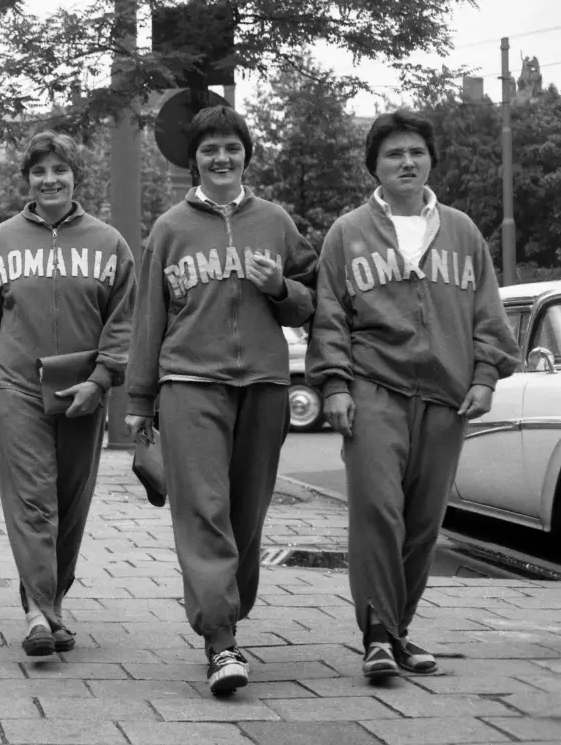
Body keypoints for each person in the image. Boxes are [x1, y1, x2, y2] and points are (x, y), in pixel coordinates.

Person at [308, 111, 519, 680]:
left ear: (430, 161)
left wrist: (484, 377)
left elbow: (487, 314)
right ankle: (377, 632)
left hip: (447, 395)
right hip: (375, 386)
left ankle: (397, 631)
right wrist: (334, 383)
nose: (407, 162)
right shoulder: (347, 232)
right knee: (378, 510)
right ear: (374, 166)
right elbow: (329, 316)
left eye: (416, 153)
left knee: (425, 520)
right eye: (394, 154)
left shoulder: (462, 230)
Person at [124, 106, 318, 695]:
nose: (221, 158)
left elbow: (310, 302)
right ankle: (220, 640)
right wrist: (139, 397)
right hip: (190, 384)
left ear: (245, 155)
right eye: (209, 149)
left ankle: (229, 614)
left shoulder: (276, 222)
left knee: (247, 516)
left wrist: (279, 287)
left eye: (231, 147)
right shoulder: (170, 229)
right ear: (194, 161)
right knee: (203, 510)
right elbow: (148, 317)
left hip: (263, 384)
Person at [0, 133, 134, 658]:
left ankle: (52, 599)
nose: (49, 179)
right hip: (16, 385)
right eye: (38, 170)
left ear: (75, 177)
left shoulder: (110, 243)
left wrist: (103, 378)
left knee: (70, 500)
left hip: (84, 388)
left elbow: (124, 320)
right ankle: (37, 613)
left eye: (59, 169)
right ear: (27, 180)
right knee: (32, 499)